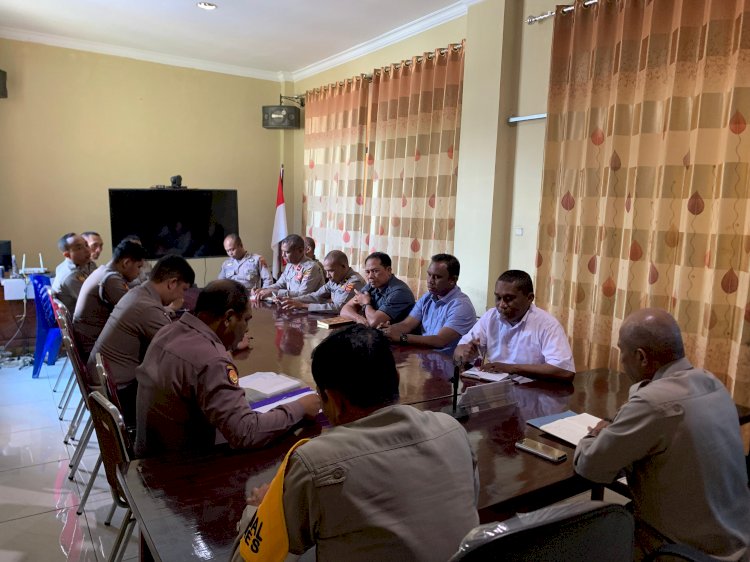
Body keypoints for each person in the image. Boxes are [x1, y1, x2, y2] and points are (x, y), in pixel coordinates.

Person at [233, 325, 479, 561]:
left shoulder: (316, 461)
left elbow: (248, 559)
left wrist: (260, 509)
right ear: (395, 377)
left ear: (333, 399)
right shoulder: (452, 430)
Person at [574, 308, 750, 559]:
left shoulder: (652, 403)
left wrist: (594, 435)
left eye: (622, 352)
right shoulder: (711, 383)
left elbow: (591, 467)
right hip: (736, 536)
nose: (621, 361)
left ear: (641, 357)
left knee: (581, 542)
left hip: (685, 551)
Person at [134, 280, 321, 458]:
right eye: (246, 320)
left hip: (152, 452)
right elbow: (246, 433)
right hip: (182, 469)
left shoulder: (169, 331)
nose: (247, 329)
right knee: (289, 454)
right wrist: (300, 407)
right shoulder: (212, 360)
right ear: (228, 318)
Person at [88, 255, 195, 425]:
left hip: (107, 383)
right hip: (118, 392)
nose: (182, 296)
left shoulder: (138, 293)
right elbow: (181, 350)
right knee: (188, 397)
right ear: (172, 283)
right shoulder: (146, 306)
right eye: (183, 289)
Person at [453, 270, 575, 382]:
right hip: (494, 390)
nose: (501, 305)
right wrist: (464, 354)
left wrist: (512, 368)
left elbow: (565, 371)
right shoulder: (491, 317)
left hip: (532, 392)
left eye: (509, 299)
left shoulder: (546, 324)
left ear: (529, 298)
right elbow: (459, 351)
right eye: (498, 298)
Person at [382, 254, 476, 351]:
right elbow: (407, 325)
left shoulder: (461, 305)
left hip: (449, 362)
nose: (430, 281)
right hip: (426, 356)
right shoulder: (428, 297)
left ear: (452, 280)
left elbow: (440, 341)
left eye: (437, 277)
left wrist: (402, 337)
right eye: (429, 275)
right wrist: (388, 330)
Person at [73, 239, 146, 358]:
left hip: (90, 343)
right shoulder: (110, 280)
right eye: (139, 267)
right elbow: (136, 312)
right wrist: (167, 308)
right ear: (126, 263)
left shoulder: (103, 271)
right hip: (95, 351)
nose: (140, 272)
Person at [340, 251, 415, 327]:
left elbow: (374, 322)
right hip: (376, 333)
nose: (370, 276)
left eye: (375, 271)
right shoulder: (372, 285)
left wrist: (366, 303)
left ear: (388, 270)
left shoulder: (400, 292)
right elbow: (345, 310)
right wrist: (359, 319)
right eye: (367, 272)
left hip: (398, 336)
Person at [278, 250, 364, 313]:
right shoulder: (335, 279)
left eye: (331, 271)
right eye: (326, 271)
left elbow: (338, 308)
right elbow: (316, 296)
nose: (327, 275)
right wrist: (291, 300)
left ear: (344, 266)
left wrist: (303, 306)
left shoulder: (354, 282)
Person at [254, 234, 324, 299]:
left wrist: (274, 292)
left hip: (309, 308)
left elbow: (303, 295)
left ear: (300, 250)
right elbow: (280, 284)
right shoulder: (290, 264)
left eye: (287, 252)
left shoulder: (311, 268)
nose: (283, 255)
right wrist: (264, 289)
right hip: (294, 305)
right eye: (282, 251)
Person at [52, 233, 97, 312]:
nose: (87, 250)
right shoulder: (71, 276)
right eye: (79, 248)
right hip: (82, 319)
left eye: (86, 245)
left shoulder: (87, 263)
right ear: (67, 255)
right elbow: (91, 302)